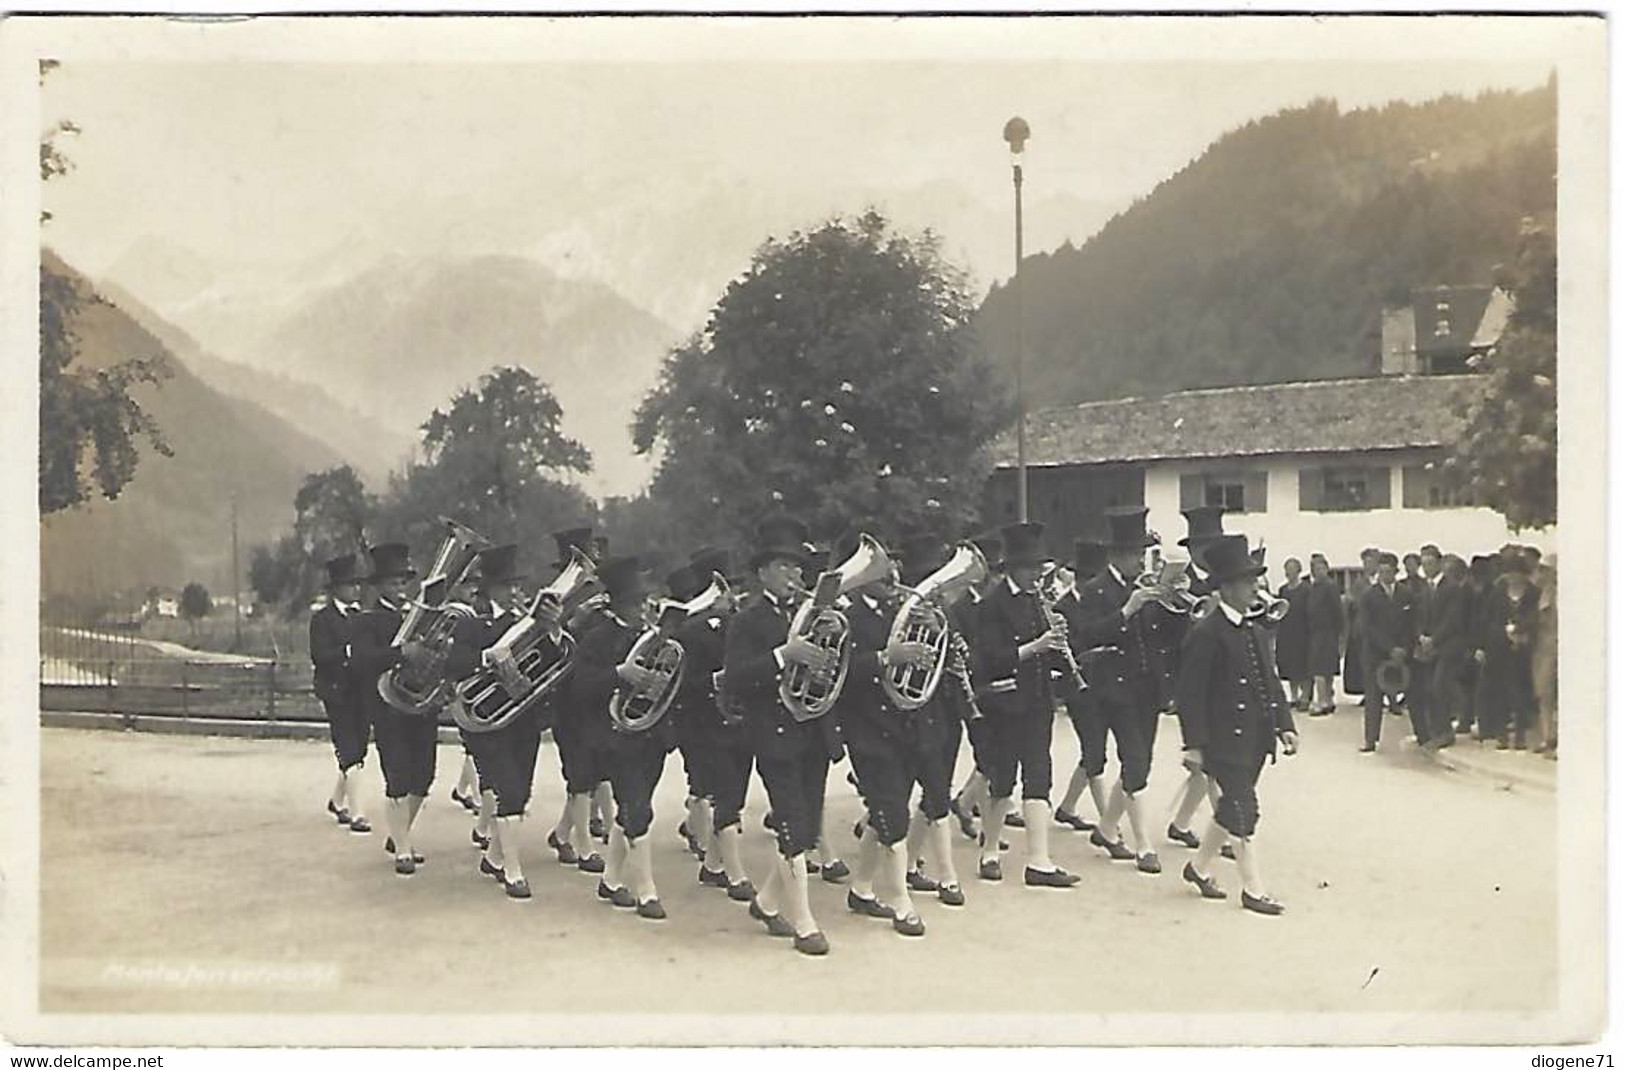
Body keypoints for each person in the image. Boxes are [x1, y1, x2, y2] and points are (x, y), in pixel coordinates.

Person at [725, 513, 838, 956]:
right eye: (784, 567)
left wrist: (823, 660)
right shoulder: (747, 620)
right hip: (773, 735)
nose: (795, 574)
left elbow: (831, 666)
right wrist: (782, 656)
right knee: (792, 822)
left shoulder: (813, 614)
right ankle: (804, 921)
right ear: (762, 572)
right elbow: (734, 678)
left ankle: (769, 902)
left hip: (812, 730)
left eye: (797, 567)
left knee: (807, 827)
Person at [1174, 535, 1299, 915]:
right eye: (1248, 582)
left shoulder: (1254, 630)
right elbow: (1189, 694)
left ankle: (1197, 868)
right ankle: (1253, 889)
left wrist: (1284, 725)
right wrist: (1193, 744)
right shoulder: (1207, 633)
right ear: (1227, 588)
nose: (1255, 588)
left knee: (1231, 806)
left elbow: (1270, 682)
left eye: (1256, 581)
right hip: (1223, 739)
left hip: (1256, 737)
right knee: (1245, 809)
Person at [971, 520, 1081, 887]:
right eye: (1033, 567)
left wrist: (1062, 656)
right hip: (1004, 703)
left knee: (1039, 777)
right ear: (1016, 566)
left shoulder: (1038, 601)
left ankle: (1040, 861)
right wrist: (1038, 645)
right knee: (1002, 780)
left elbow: (1046, 654)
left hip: (1036, 702)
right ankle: (988, 851)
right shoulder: (991, 604)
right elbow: (989, 658)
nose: (1038, 574)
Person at [835, 525, 934, 936]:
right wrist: (886, 657)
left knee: (887, 808)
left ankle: (860, 889)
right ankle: (901, 903)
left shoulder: (898, 611)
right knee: (893, 812)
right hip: (865, 727)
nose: (891, 572)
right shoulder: (845, 616)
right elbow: (840, 672)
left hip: (901, 721)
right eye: (880, 566)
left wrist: (925, 632)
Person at [446, 543, 558, 900]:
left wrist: (552, 631)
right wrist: (485, 658)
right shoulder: (472, 622)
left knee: (520, 793)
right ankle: (513, 871)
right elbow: (453, 662)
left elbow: (551, 660)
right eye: (507, 585)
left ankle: (495, 858)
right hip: (487, 721)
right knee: (508, 791)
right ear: (490, 588)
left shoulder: (524, 623)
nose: (514, 592)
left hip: (521, 718)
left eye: (516, 585)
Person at [573, 554, 677, 919]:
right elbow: (580, 688)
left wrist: (658, 682)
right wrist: (620, 673)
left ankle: (612, 880)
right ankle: (646, 890)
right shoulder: (597, 638)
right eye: (635, 603)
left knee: (634, 807)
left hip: (651, 734)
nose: (643, 609)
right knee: (638, 809)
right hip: (615, 737)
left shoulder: (652, 636)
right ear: (617, 604)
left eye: (645, 602)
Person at [1069, 507, 1164, 875]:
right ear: (1117, 556)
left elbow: (1161, 637)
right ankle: (1143, 846)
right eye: (1135, 555)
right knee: (1135, 761)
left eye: (1142, 554)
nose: (1141, 561)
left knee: (1143, 763)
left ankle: (1107, 828)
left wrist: (1171, 605)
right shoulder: (1094, 591)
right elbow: (1087, 636)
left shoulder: (1143, 587)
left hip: (1147, 688)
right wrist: (1127, 610)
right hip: (1114, 689)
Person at [351, 542, 438, 876]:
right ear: (378, 586)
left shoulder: (418, 616)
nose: (400, 588)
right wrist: (402, 652)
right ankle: (402, 847)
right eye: (393, 583)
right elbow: (361, 661)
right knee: (398, 776)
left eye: (403, 582)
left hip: (420, 703)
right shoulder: (366, 621)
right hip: (387, 705)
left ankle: (399, 833)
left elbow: (433, 656)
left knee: (424, 777)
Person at [894, 529, 968, 908]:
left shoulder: (947, 613)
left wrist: (942, 633)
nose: (935, 588)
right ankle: (947, 876)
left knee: (938, 790)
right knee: (923, 793)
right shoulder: (898, 612)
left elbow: (961, 658)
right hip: (910, 712)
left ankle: (911, 864)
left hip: (945, 710)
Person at [678, 549, 757, 900]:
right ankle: (735, 874)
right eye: (726, 589)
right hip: (705, 724)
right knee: (724, 793)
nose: (733, 596)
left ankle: (712, 865)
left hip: (739, 722)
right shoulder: (691, 632)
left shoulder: (740, 625)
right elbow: (681, 684)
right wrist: (717, 680)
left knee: (735, 792)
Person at [544, 525, 608, 876]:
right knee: (581, 773)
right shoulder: (553, 598)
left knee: (591, 772)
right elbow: (545, 643)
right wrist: (576, 621)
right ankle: (584, 847)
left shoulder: (600, 593)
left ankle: (562, 834)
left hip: (594, 694)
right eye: (584, 561)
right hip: (568, 696)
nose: (591, 568)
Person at [1163, 504, 1228, 849]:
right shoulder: (1179, 582)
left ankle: (1181, 822)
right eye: (1204, 545)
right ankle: (1228, 830)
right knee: (1213, 760)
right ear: (1191, 549)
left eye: (1214, 543)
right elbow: (1173, 637)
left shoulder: (1225, 576)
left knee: (1208, 762)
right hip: (1191, 677)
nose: (1210, 550)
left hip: (1221, 677)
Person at [949, 531, 1005, 844]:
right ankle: (965, 805)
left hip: (992, 687)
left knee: (991, 756)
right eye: (993, 571)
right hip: (973, 689)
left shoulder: (989, 603)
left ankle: (970, 807)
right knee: (989, 755)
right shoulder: (960, 607)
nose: (996, 578)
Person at [310, 553, 371, 834]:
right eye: (350, 585)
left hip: (359, 689)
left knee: (358, 747)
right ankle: (357, 813)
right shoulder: (322, 619)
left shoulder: (361, 616)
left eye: (357, 584)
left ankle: (337, 801)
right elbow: (319, 656)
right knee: (348, 747)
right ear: (336, 588)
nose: (356, 589)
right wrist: (347, 652)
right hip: (335, 690)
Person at [1054, 535, 1108, 834]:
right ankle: (1108, 824)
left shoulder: (1098, 601)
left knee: (1094, 750)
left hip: (1101, 685)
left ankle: (1068, 807)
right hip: (1077, 687)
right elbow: (1065, 651)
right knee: (1095, 752)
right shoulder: (1063, 607)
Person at [1475, 552, 1539, 750]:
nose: (1513, 577)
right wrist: (1499, 634)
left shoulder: (1533, 593)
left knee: (1521, 691)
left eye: (1517, 573)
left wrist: (1522, 630)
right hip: (1499, 648)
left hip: (1524, 648)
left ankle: (1520, 735)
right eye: (1510, 573)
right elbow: (1486, 620)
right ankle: (1502, 734)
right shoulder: (1497, 593)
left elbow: (1537, 618)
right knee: (1500, 691)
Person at [1357, 552, 1411, 754]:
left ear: (1396, 572)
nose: (1384, 576)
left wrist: (1403, 647)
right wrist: (1389, 649)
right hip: (1375, 653)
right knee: (1373, 699)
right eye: (1381, 572)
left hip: (1402, 653)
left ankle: (1423, 735)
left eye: (1388, 572)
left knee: (1411, 693)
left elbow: (1411, 623)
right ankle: (1370, 739)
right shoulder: (1369, 596)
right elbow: (1368, 627)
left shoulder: (1406, 593)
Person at [1305, 554, 1343, 716]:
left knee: (1321, 668)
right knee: (1322, 667)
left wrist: (1338, 633)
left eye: (1321, 568)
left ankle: (1323, 701)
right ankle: (1327, 699)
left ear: (1326, 569)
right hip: (1315, 631)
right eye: (1315, 569)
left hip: (1327, 631)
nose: (1318, 572)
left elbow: (1337, 611)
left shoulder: (1330, 586)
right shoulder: (1314, 587)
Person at [1274, 557, 1312, 711]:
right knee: (1289, 665)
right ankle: (1294, 696)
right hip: (1286, 631)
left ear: (1298, 570)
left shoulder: (1306, 589)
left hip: (1302, 631)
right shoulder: (1283, 590)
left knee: (1303, 665)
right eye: (1287, 569)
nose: (1289, 572)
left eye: (1292, 569)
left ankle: (1305, 696)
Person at [1531, 555, 1559, 757]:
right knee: (1544, 693)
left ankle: (1553, 738)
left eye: (1545, 570)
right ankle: (1547, 735)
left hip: (1553, 645)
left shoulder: (1557, 593)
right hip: (1543, 647)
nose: (1540, 573)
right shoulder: (1539, 593)